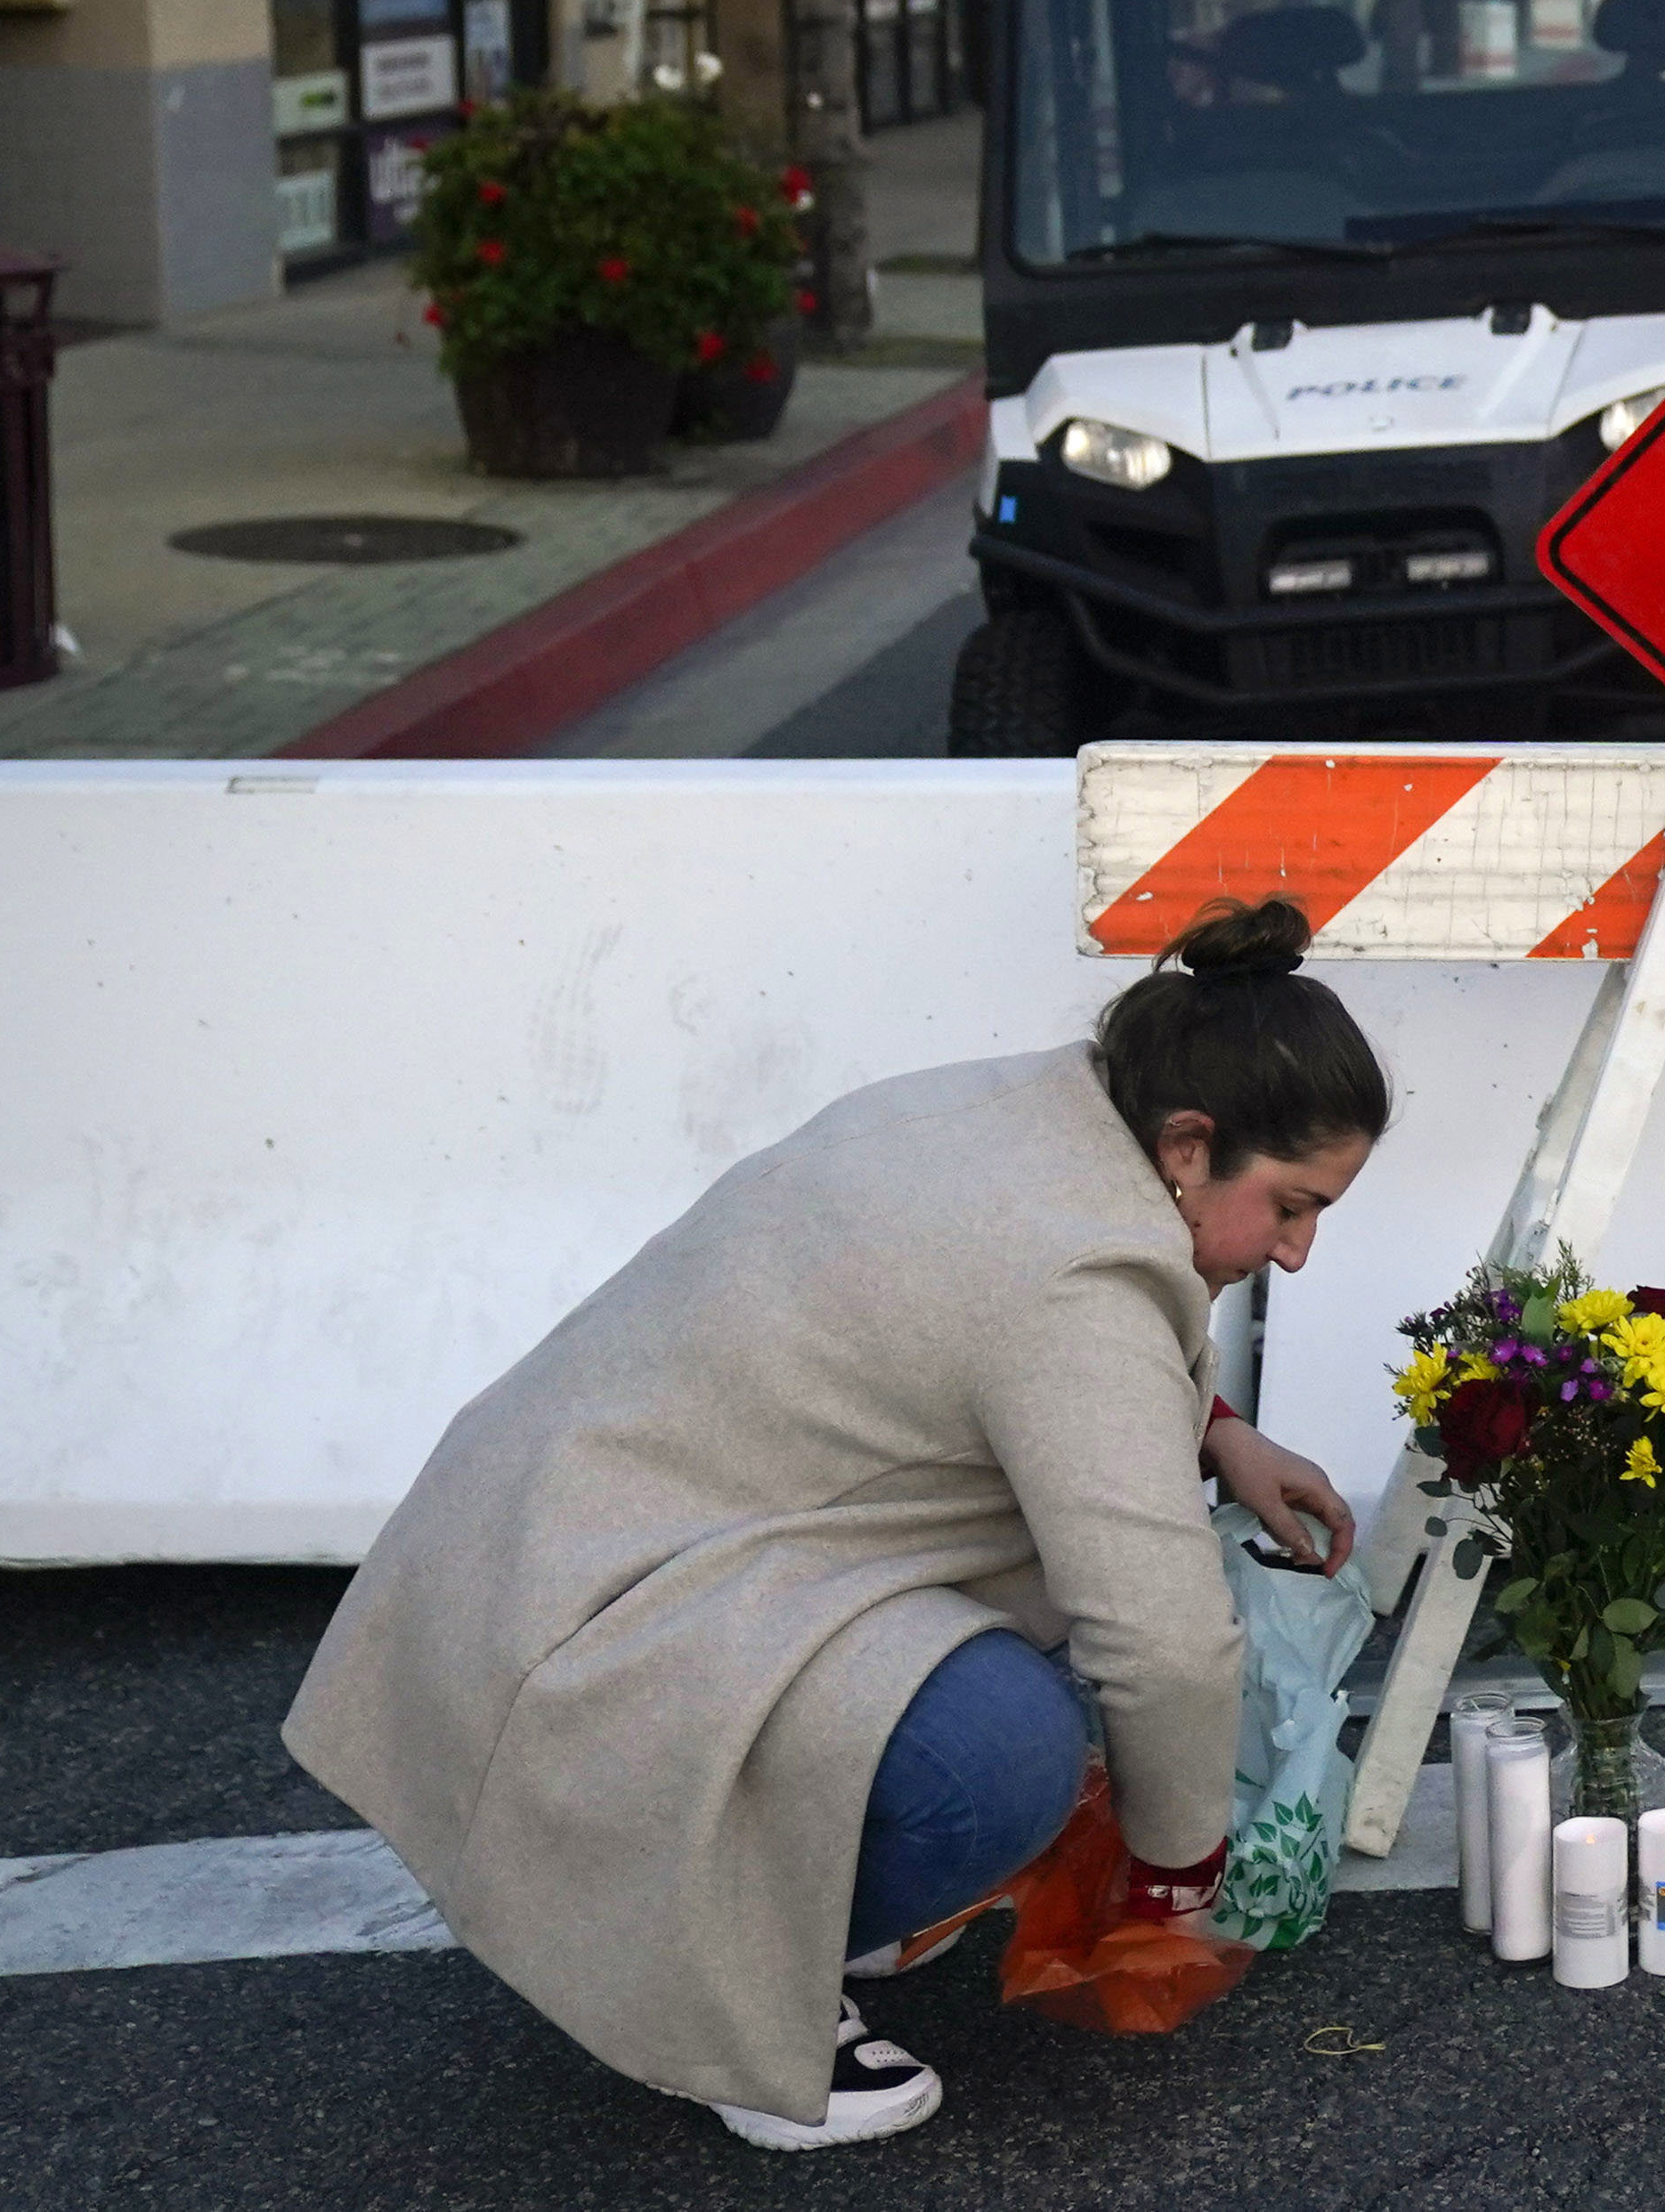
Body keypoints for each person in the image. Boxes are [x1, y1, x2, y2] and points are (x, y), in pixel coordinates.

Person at [285, 899, 1383, 2151]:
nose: (1294, 1251)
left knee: (1018, 1629)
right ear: (1190, 1146)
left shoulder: (1042, 1108)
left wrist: (1218, 1431)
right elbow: (1168, 1640)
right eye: (1293, 1205)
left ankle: (800, 1884)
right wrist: (1174, 1871)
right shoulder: (1078, 1269)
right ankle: (735, 2001)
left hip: (534, 1547)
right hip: (594, 1632)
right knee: (1007, 1746)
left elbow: (991, 1335)